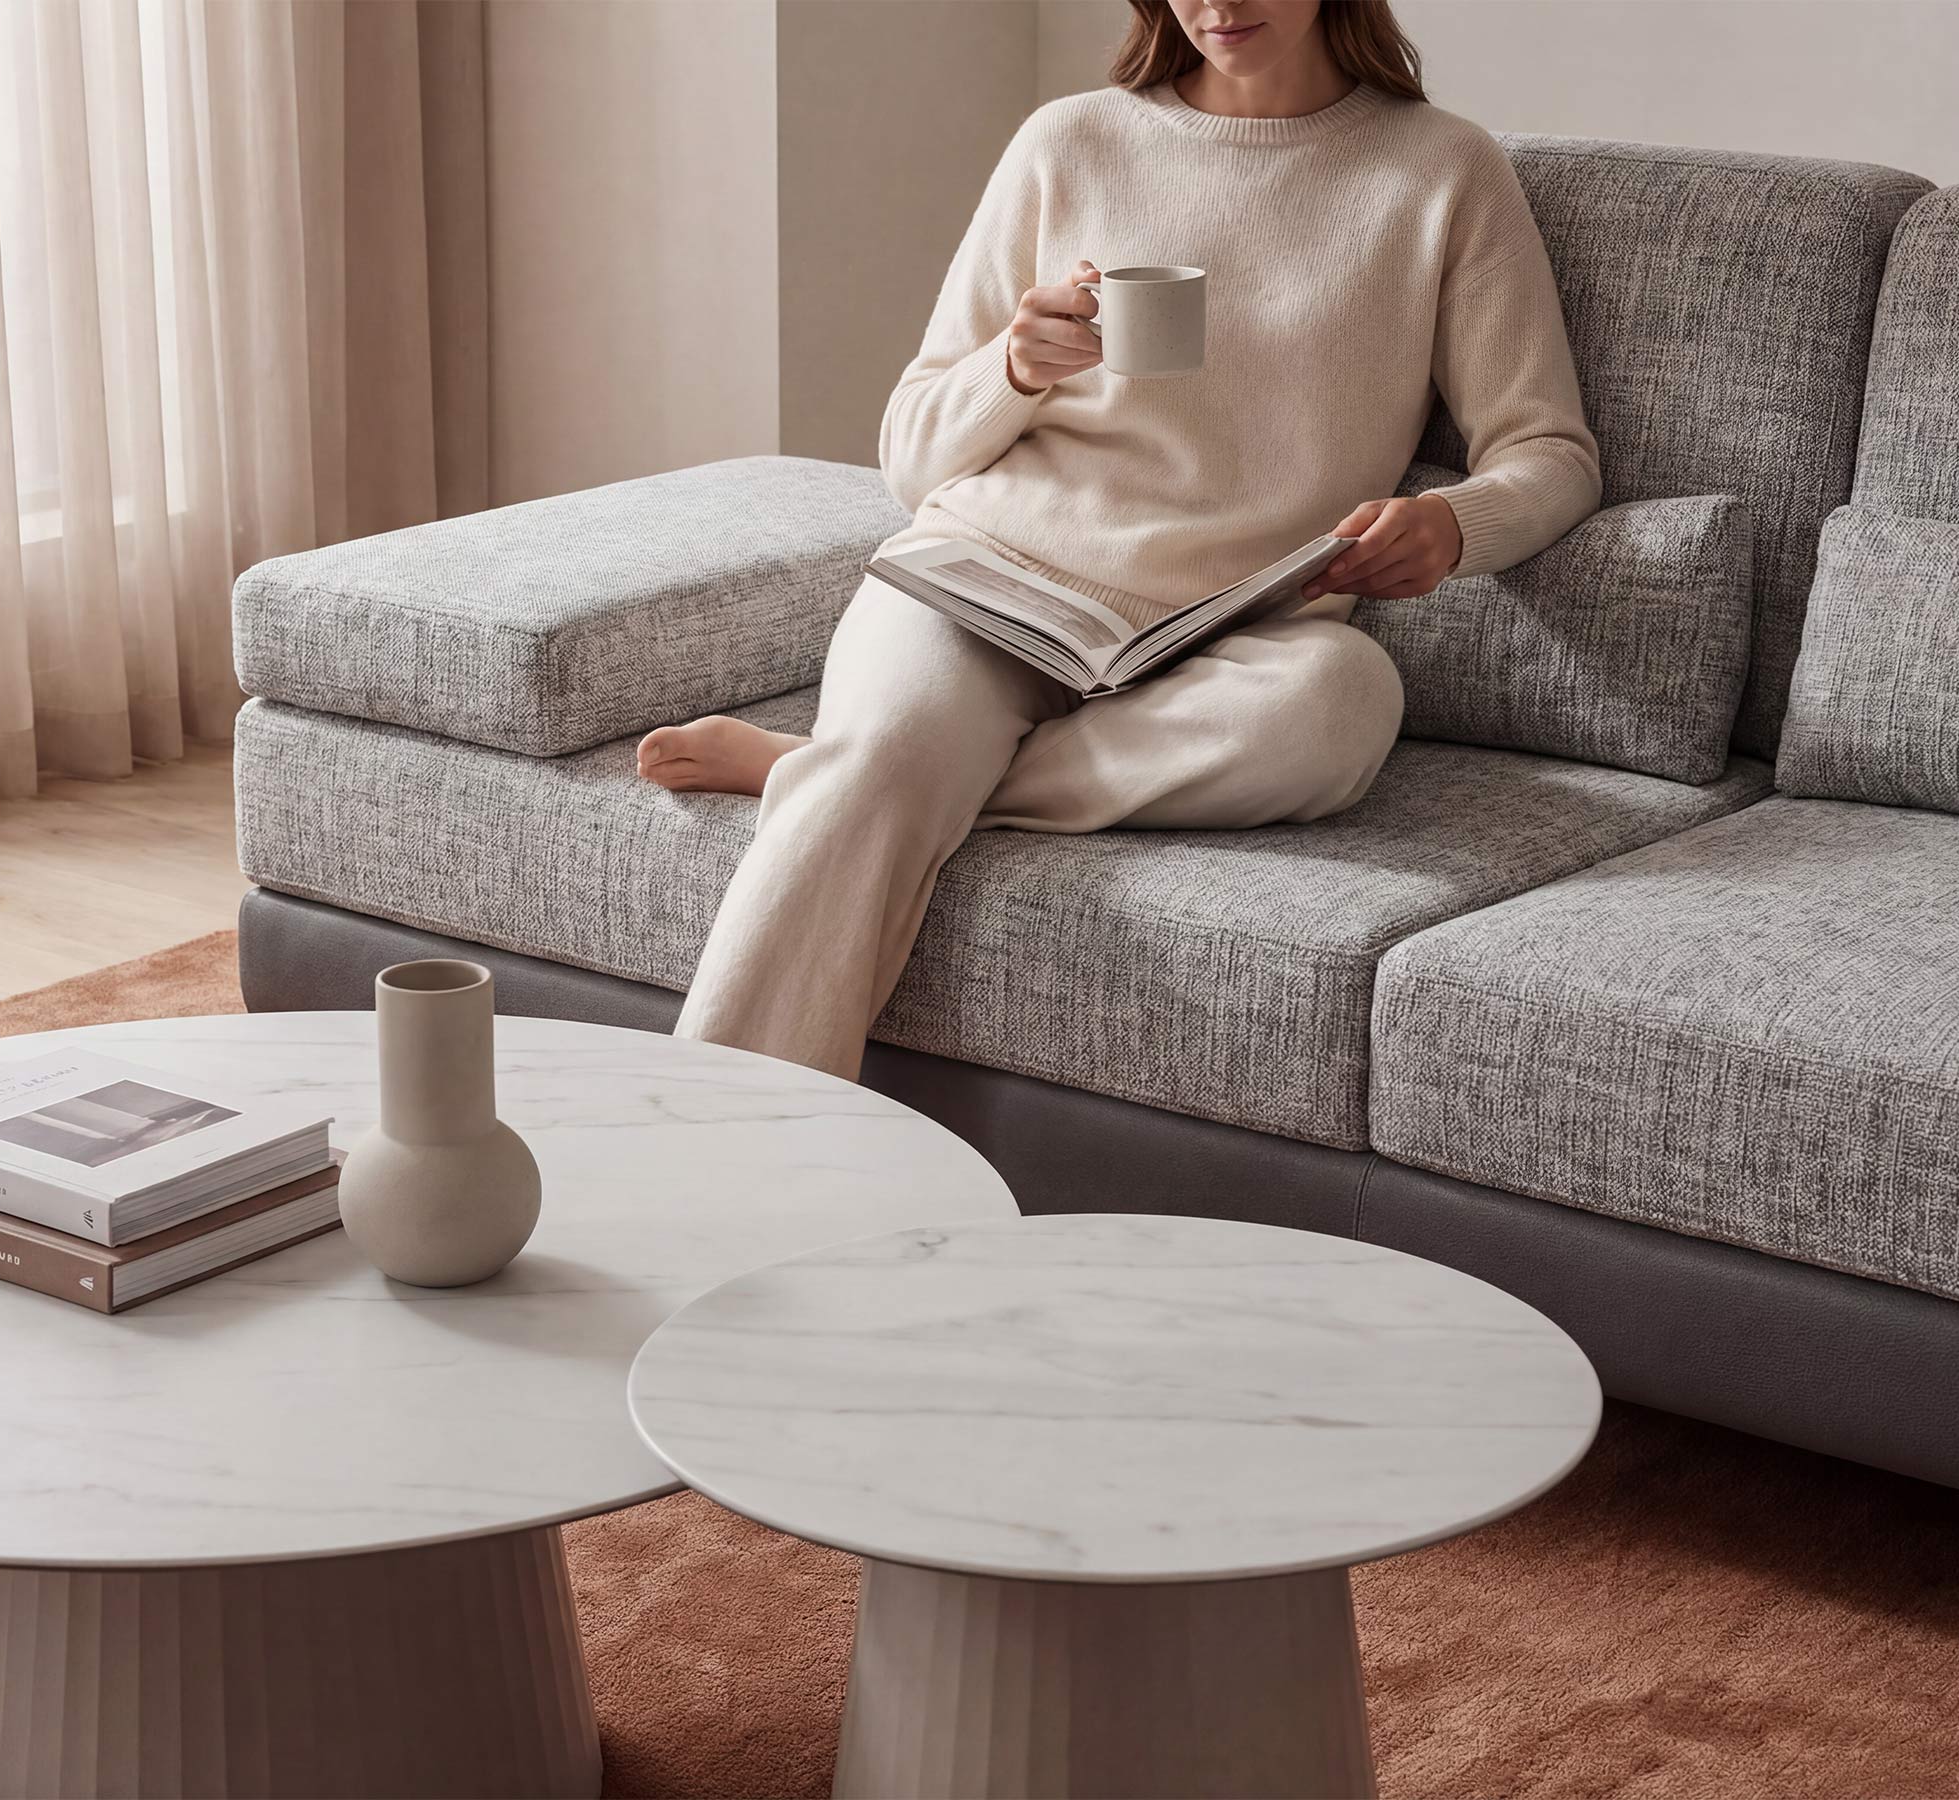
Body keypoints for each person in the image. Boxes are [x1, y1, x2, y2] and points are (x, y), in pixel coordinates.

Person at [638, 0, 1600, 1080]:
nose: (1218, 6)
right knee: (891, 755)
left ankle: (855, 776)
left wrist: (1450, 526)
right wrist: (1014, 367)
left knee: (1345, 701)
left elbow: (1551, 451)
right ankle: (720, 1144)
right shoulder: (1070, 141)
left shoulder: (1440, 172)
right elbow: (912, 458)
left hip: (1230, 627)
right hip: (991, 582)